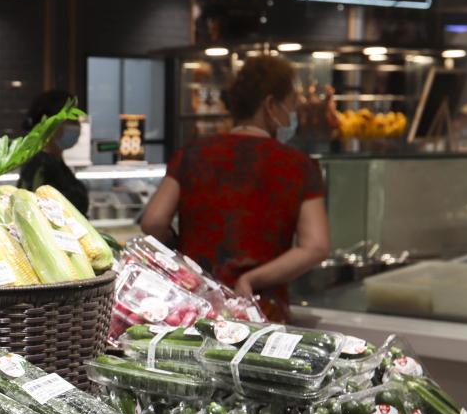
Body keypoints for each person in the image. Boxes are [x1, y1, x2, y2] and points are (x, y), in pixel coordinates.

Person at [139, 56, 330, 322]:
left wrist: (179, 249)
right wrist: (250, 279)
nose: (292, 116)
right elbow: (316, 246)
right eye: (290, 106)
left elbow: (153, 221)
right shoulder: (299, 165)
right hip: (261, 311)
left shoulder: (192, 154)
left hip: (194, 306)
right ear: (270, 105)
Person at [17, 90, 89, 215]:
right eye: (72, 120)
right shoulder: (39, 166)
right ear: (51, 124)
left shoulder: (56, 162)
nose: (78, 126)